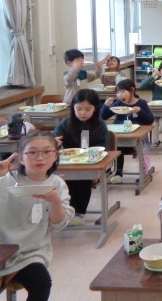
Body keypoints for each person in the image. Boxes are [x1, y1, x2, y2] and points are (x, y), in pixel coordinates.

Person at [0, 132, 73, 301]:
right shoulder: (4, 178)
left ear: (55, 156)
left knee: (41, 283)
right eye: (32, 152)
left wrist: (55, 202)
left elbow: (58, 224)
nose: (40, 157)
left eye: (47, 152)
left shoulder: (56, 184)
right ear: (21, 158)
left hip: (29, 252)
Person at [53, 89, 110, 225]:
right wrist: (54, 142)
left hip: (91, 164)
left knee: (82, 180)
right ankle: (65, 211)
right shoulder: (66, 123)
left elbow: (105, 148)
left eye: (87, 109)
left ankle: (80, 213)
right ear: (73, 108)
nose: (82, 113)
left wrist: (98, 168)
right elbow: (54, 138)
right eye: (78, 109)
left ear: (95, 108)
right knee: (61, 181)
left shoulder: (100, 125)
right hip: (68, 163)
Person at [100, 79, 154, 184]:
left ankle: (143, 172)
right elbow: (104, 116)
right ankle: (118, 173)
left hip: (137, 137)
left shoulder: (141, 103)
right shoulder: (118, 103)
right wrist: (105, 106)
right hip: (119, 136)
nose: (120, 95)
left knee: (140, 149)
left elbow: (149, 120)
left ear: (132, 90)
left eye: (123, 91)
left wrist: (139, 111)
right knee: (115, 147)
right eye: (118, 92)